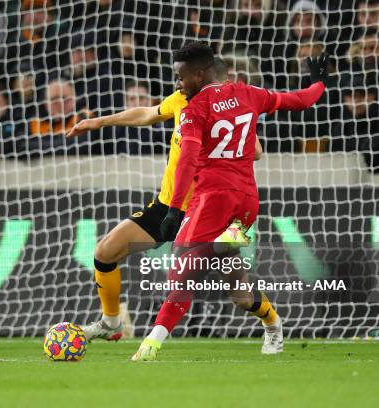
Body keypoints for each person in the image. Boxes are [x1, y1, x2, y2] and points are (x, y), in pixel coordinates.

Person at [132, 42, 327, 361]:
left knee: (180, 272)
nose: (178, 84)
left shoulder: (195, 110)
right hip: (246, 208)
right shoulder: (249, 93)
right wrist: (320, 83)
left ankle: (150, 345)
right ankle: (274, 325)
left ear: (200, 73)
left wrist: (175, 208)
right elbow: (300, 100)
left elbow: (188, 162)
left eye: (181, 77)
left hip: (213, 202)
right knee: (236, 288)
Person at [66, 57, 262, 342]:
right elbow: (146, 114)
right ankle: (111, 322)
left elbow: (256, 150)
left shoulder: (227, 108)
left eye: (183, 76)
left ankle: (271, 322)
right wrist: (98, 122)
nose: (179, 82)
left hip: (215, 213)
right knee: (105, 252)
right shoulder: (180, 100)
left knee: (241, 296)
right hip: (169, 206)